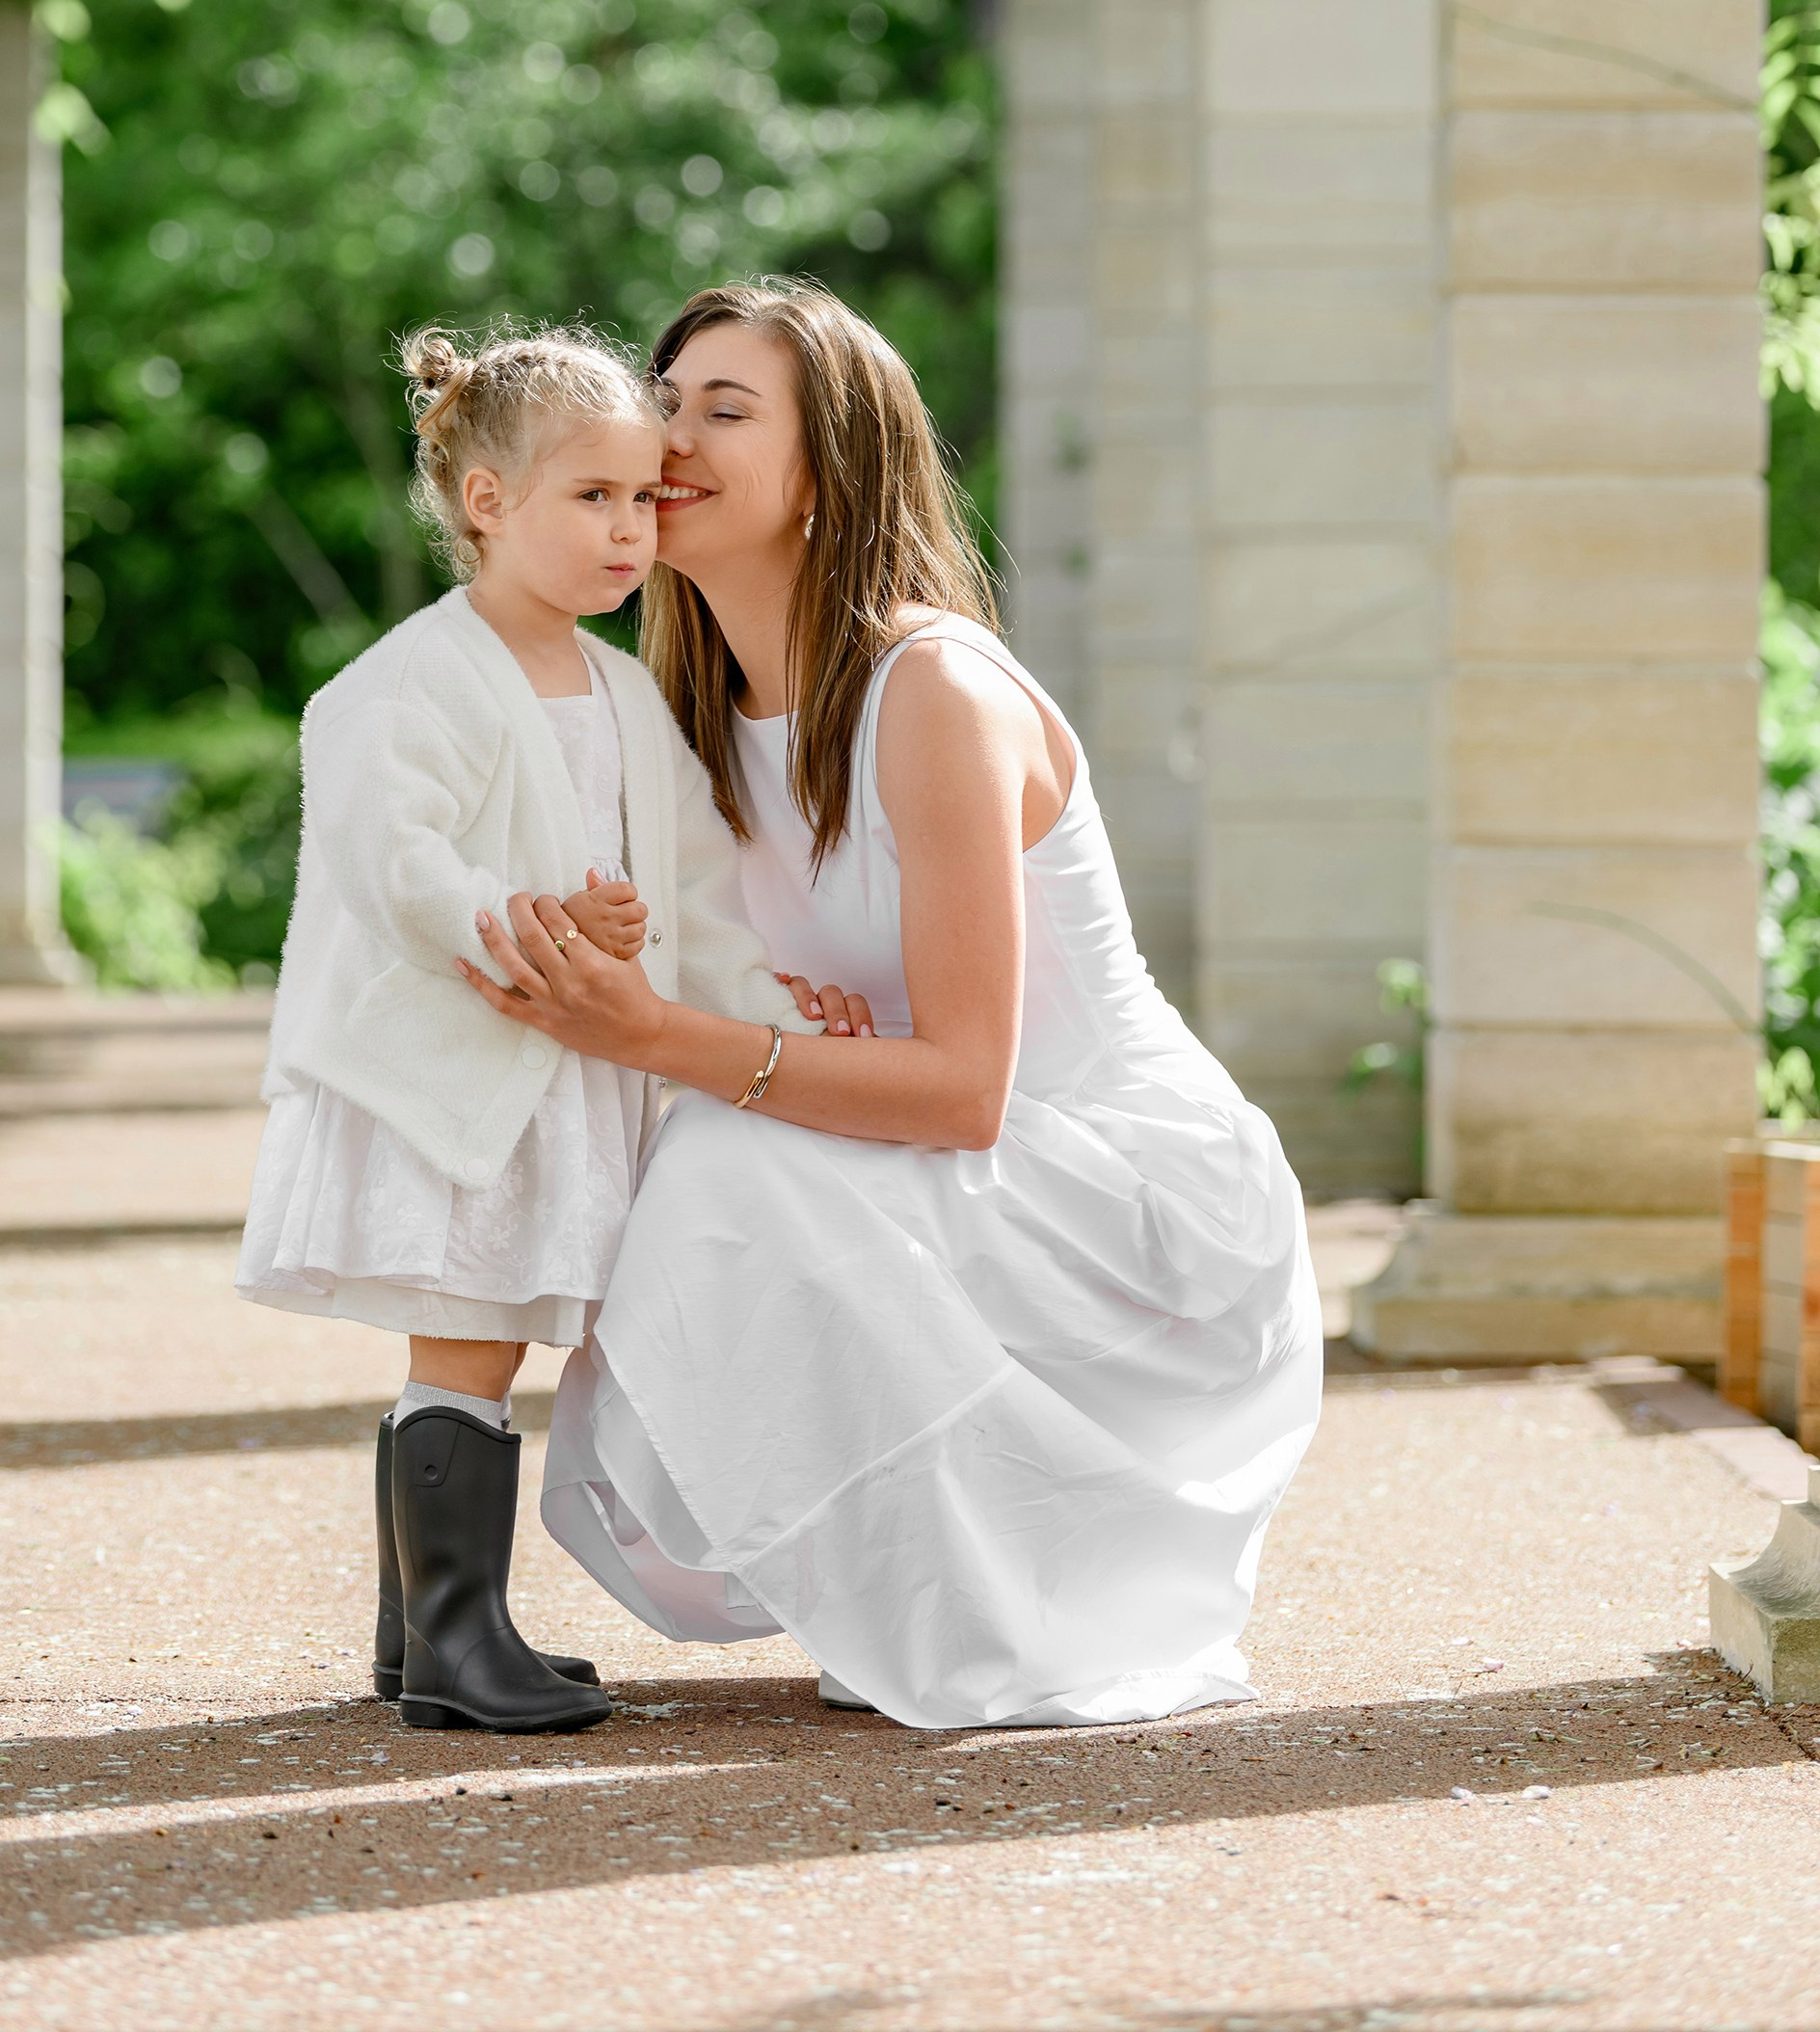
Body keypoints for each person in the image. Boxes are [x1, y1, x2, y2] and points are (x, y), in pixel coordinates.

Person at [458, 280, 1323, 1733]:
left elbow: (966, 1088)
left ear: (833, 470)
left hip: (1127, 1191)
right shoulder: (685, 714)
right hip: (957, 1169)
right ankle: (436, 1559)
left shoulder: (934, 691)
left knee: (729, 1156)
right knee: (624, 1124)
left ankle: (984, 1605)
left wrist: (666, 1034)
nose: (670, 437)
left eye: (726, 411)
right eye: (663, 400)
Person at [234, 323, 811, 1736]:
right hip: (462, 1067)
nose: (630, 531)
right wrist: (533, 922)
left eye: (641, 501)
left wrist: (772, 1001)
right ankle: (453, 1645)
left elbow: (692, 880)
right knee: (468, 1341)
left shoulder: (616, 690)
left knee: (487, 1340)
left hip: (565, 1075)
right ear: (487, 503)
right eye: (593, 499)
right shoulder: (409, 679)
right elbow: (396, 860)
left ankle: (426, 1632)